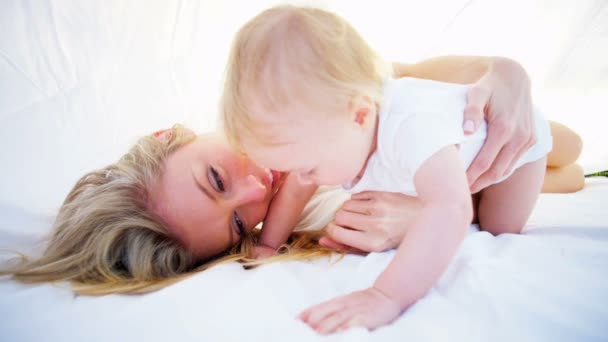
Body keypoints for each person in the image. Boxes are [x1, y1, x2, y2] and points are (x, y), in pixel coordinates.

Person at [0, 30, 583, 296]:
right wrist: (420, 216)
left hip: (469, 122)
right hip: (466, 177)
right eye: (237, 224)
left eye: (217, 178)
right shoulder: (313, 220)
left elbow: (404, 81)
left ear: (170, 135)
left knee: (570, 147)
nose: (257, 189)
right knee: (572, 177)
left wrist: (504, 72)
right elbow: (462, 207)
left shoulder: (282, 103)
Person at [219, 5, 560, 333]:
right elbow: (295, 187)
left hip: (511, 150)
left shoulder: (410, 128)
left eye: (308, 168)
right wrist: (267, 245)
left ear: (360, 115)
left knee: (499, 227)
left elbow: (452, 207)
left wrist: (386, 295)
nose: (302, 179)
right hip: (449, 155)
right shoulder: (334, 128)